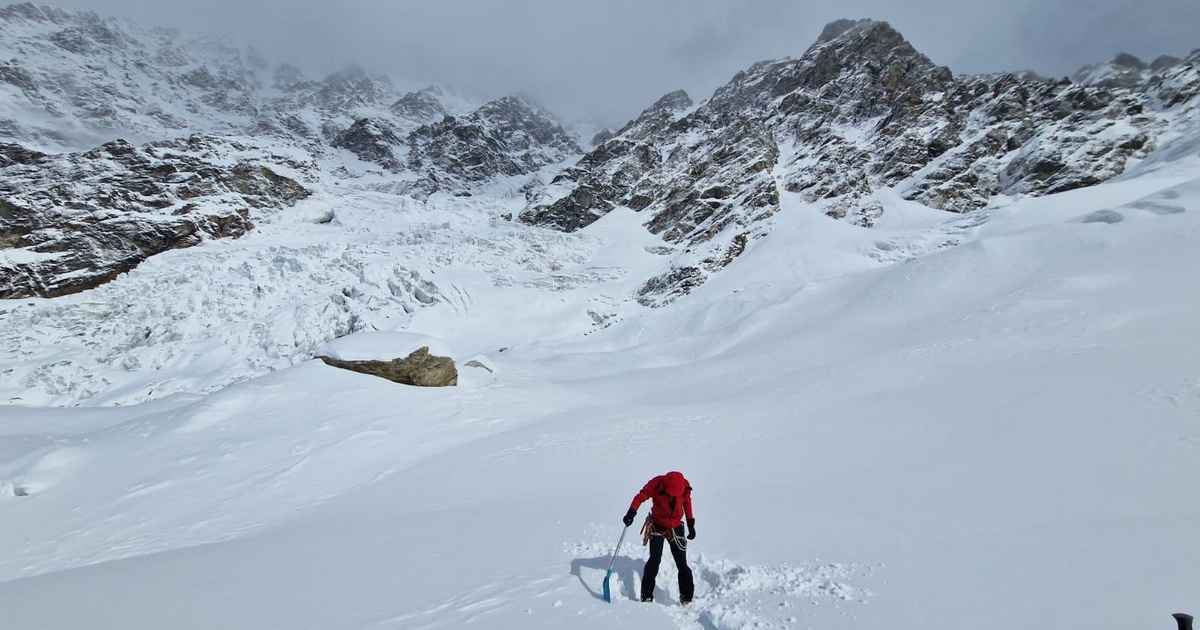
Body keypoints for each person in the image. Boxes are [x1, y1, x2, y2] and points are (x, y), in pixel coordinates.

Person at [622, 471, 695, 604]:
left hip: (676, 526)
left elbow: (687, 503)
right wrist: (631, 512)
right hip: (658, 525)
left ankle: (687, 598)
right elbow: (640, 497)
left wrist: (691, 523)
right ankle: (646, 596)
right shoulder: (656, 484)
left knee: (682, 564)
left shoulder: (685, 486)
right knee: (654, 560)